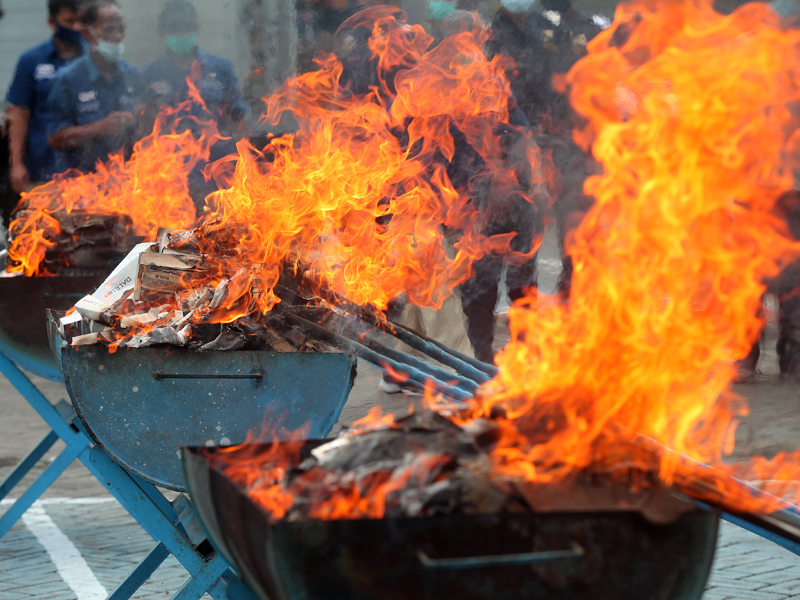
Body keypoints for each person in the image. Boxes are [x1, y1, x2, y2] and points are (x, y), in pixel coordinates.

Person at [487, 0, 602, 298]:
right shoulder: (521, 29)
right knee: (524, 230)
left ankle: (570, 300)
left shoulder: (580, 28)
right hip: (526, 142)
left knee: (574, 229)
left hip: (570, 144)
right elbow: (518, 83)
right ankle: (523, 307)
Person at [140, 0, 247, 208]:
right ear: (163, 31)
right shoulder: (150, 75)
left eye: (187, 26)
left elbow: (238, 119)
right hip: (172, 180)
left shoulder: (221, 68)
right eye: (175, 26)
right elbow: (144, 129)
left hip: (218, 175)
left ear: (196, 27)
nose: (181, 32)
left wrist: (244, 165)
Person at [46, 0, 144, 175]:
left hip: (127, 182)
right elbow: (55, 139)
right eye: (109, 30)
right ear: (87, 32)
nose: (117, 36)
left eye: (121, 29)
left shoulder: (132, 74)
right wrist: (98, 128)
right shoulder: (67, 79)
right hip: (83, 183)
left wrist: (143, 117)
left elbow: (145, 131)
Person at [5, 0, 85, 203]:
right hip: (43, 169)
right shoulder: (32, 60)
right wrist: (16, 164)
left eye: (80, 21)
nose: (76, 27)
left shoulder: (93, 58)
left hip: (89, 172)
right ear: (52, 21)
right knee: (43, 221)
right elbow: (19, 113)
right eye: (69, 21)